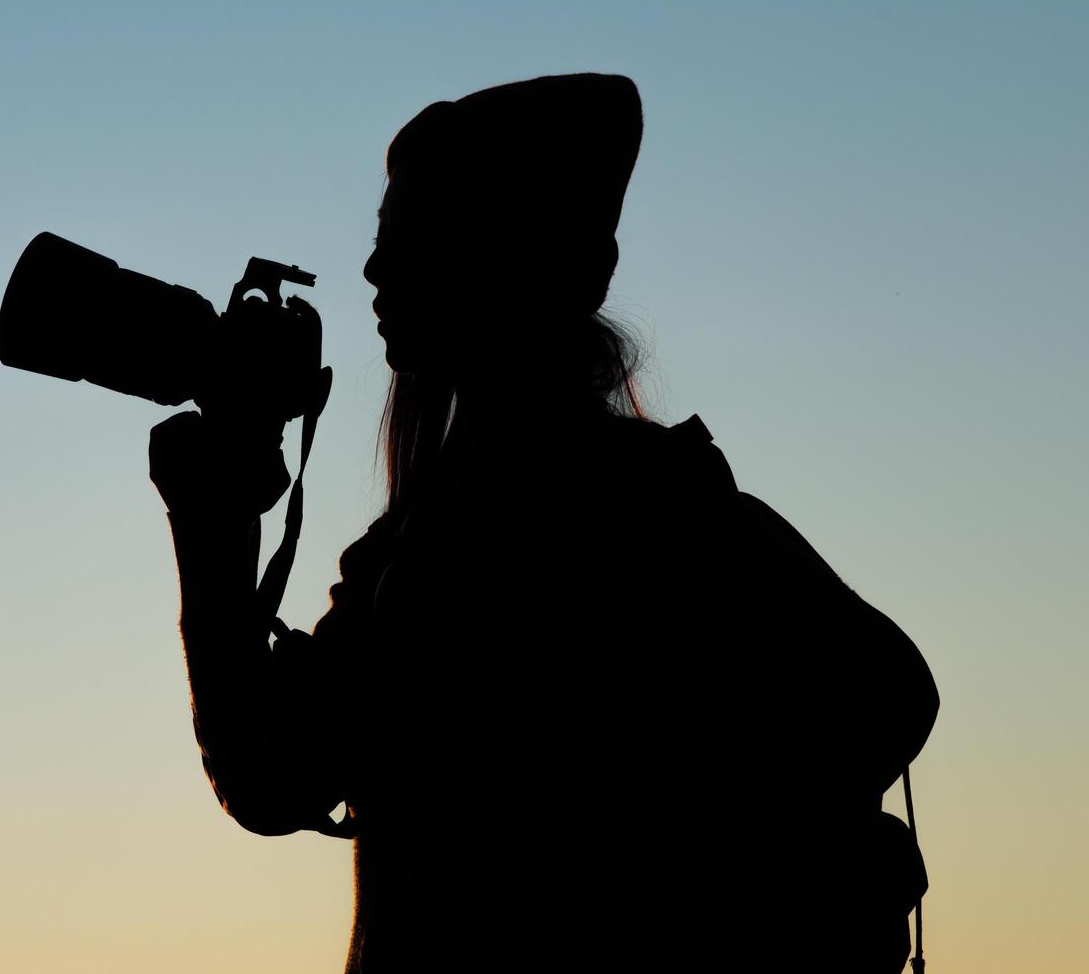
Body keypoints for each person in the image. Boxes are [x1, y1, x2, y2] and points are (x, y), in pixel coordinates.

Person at [148, 73, 938, 973]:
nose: (372, 271)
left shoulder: (645, 503)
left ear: (500, 257)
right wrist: (215, 508)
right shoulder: (409, 552)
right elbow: (271, 775)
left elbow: (888, 691)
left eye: (406, 237)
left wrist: (669, 852)